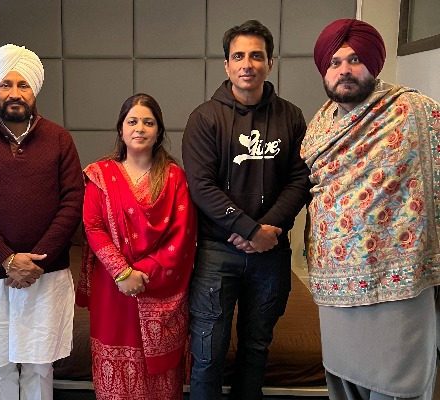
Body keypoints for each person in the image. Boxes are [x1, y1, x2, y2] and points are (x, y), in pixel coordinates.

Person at [301, 19, 440, 400]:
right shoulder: (317, 127)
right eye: (335, 62)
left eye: (355, 59)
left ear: (374, 64)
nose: (344, 70)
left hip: (399, 282)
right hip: (334, 283)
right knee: (343, 380)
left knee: (399, 383)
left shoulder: (413, 111)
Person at [182, 20, 312, 399]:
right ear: (226, 65)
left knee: (256, 350)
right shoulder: (204, 118)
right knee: (207, 354)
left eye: (256, 56)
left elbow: (300, 180)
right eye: (238, 56)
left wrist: (267, 229)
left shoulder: (291, 117)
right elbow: (201, 187)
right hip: (216, 252)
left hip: (271, 253)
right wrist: (249, 230)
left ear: (270, 63)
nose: (247, 64)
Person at [0, 44, 85, 400]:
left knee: (41, 366)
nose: (14, 93)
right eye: (6, 84)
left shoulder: (59, 139)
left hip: (47, 273)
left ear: (34, 90)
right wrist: (7, 259)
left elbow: (73, 202)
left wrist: (36, 260)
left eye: (23, 85)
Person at [76, 93, 197, 400]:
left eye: (148, 122)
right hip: (112, 286)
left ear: (159, 131)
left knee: (158, 382)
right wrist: (123, 273)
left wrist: (140, 274)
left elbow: (181, 238)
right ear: (121, 129)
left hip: (158, 284)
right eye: (132, 121)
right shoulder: (100, 175)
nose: (139, 128)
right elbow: (93, 227)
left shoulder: (174, 178)